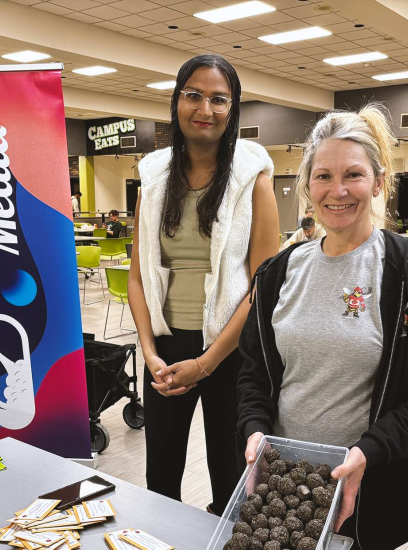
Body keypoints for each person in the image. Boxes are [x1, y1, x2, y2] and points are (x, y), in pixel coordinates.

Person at [237, 104, 408, 549]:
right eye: (322, 176)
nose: (337, 190)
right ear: (306, 185)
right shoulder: (278, 272)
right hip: (285, 480)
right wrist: (253, 429)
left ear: (379, 182)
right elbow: (253, 373)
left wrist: (370, 451)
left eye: (353, 175)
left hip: (375, 482)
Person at [128, 54, 279, 515]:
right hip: (167, 350)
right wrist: (149, 351)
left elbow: (262, 285)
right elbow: (138, 275)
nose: (205, 109)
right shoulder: (153, 177)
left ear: (232, 110)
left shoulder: (253, 176)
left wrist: (208, 363)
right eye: (193, 95)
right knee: (161, 475)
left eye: (219, 99)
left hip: (230, 353)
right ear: (176, 101)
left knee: (230, 474)